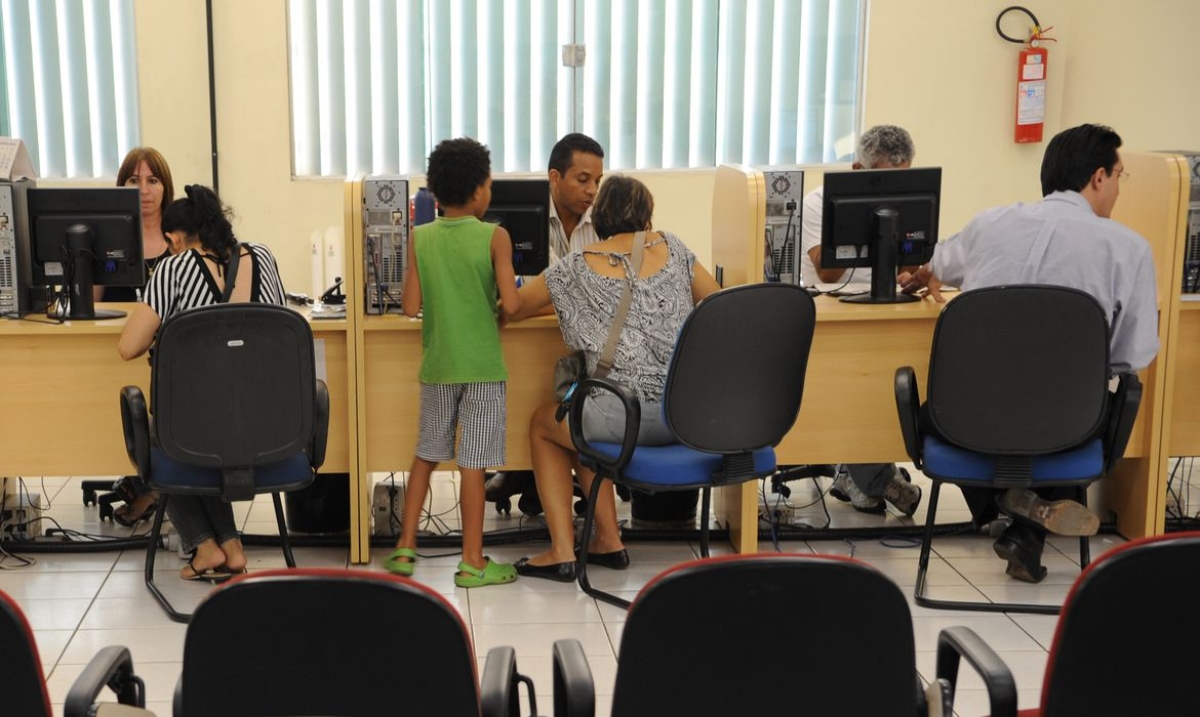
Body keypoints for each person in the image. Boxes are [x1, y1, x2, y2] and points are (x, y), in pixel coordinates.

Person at [899, 123, 1160, 583]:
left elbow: (937, 263)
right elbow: (1130, 356)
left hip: (966, 420)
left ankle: (1007, 507)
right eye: (1119, 176)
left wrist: (925, 274)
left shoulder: (988, 224)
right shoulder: (1130, 249)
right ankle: (1025, 523)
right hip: (1070, 423)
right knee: (1086, 403)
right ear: (1099, 177)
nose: (1119, 188)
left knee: (934, 413)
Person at [510, 174, 721, 581]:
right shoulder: (674, 248)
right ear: (647, 217)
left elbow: (514, 308)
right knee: (580, 417)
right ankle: (607, 540)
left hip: (622, 420)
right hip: (683, 415)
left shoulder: (575, 266)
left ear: (599, 217)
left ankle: (561, 551)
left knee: (546, 422)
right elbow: (716, 303)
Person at [117, 184, 287, 580]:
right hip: (270, 426)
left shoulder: (173, 269)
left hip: (197, 431)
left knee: (161, 432)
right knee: (205, 430)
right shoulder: (263, 257)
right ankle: (231, 547)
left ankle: (205, 545)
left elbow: (128, 347)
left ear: (174, 239)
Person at [381, 137, 522, 588]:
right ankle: (473, 562)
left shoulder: (420, 238)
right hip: (482, 370)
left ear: (436, 192)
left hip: (439, 368)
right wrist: (497, 309)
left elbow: (409, 306)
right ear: (480, 190)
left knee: (426, 456)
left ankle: (405, 545)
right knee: (472, 465)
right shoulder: (495, 237)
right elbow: (513, 304)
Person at [798, 125, 923, 517]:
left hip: (887, 309)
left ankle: (859, 474)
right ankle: (876, 477)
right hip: (832, 315)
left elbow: (909, 265)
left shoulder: (907, 203)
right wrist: (863, 222)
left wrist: (910, 270)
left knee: (902, 379)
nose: (894, 194)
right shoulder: (817, 204)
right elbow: (828, 273)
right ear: (857, 171)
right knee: (854, 387)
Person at [487, 133, 606, 513]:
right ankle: (521, 467)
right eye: (583, 179)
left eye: (598, 181)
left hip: (584, 349)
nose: (592, 190)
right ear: (555, 177)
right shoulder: (519, 218)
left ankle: (544, 470)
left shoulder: (604, 224)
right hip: (526, 340)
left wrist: (532, 304)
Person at [103, 147, 176, 525]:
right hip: (112, 353)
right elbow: (90, 302)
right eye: (134, 180)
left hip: (165, 356)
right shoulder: (109, 238)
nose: (144, 190)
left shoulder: (181, 239)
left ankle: (154, 484)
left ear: (165, 187)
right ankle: (149, 485)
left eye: (152, 180)